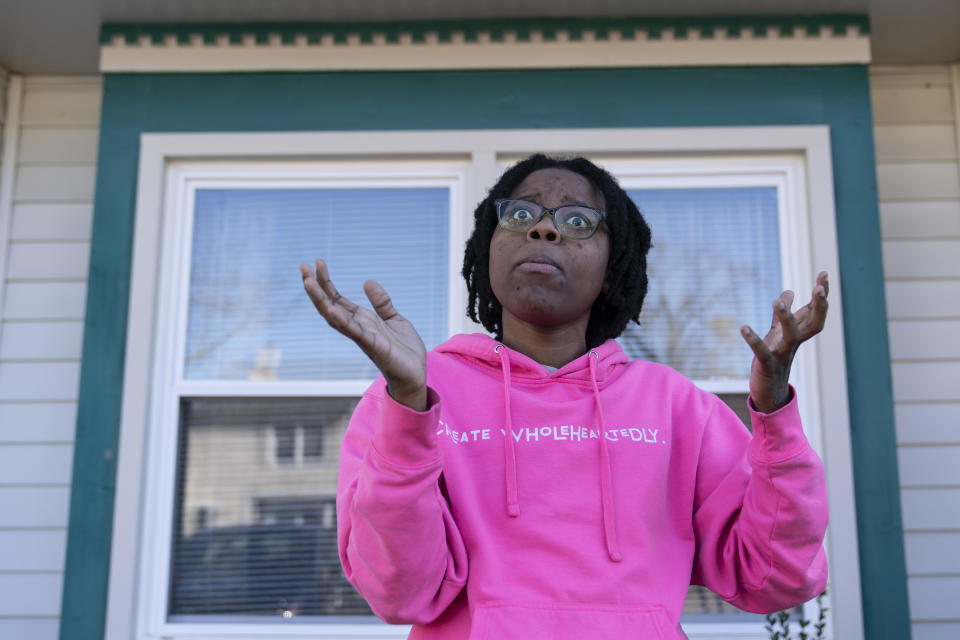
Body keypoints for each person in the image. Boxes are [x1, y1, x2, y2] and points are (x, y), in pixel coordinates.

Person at [300, 154, 830, 640]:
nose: (544, 227)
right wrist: (411, 405)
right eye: (520, 215)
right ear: (490, 247)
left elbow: (775, 577)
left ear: (611, 265)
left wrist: (775, 413)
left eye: (577, 222)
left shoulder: (675, 407)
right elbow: (400, 593)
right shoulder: (412, 398)